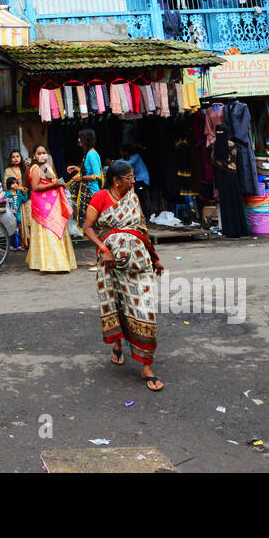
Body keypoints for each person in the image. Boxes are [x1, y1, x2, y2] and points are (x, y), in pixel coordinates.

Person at [83, 161, 165, 391]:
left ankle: (146, 365)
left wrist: (155, 257)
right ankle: (117, 343)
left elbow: (142, 230)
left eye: (132, 177)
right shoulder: (100, 197)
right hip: (110, 265)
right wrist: (105, 249)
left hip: (139, 263)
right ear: (116, 180)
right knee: (115, 306)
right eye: (129, 178)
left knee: (145, 310)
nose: (133, 181)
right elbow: (88, 227)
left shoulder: (133, 199)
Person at [27, 144, 77, 273]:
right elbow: (36, 187)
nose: (42, 155)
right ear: (34, 156)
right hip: (43, 204)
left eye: (44, 152)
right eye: (39, 153)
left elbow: (51, 181)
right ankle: (53, 264)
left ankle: (56, 261)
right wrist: (54, 185)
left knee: (56, 230)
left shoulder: (47, 166)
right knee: (50, 232)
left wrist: (55, 184)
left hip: (53, 202)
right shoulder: (35, 168)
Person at [212, 126, 247, 238]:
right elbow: (237, 160)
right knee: (235, 201)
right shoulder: (232, 145)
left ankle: (229, 230)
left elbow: (213, 161)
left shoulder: (215, 146)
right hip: (232, 176)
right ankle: (239, 229)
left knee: (226, 204)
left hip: (221, 177)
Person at [66, 128, 103, 235]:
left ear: (85, 139)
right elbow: (89, 171)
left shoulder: (91, 154)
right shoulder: (89, 153)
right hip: (90, 191)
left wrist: (80, 178)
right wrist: (77, 169)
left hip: (92, 191)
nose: (78, 140)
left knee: (92, 222)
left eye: (80, 137)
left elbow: (97, 176)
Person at [4, 148, 30, 249]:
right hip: (15, 200)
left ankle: (26, 242)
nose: (15, 158)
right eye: (13, 157)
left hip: (24, 198)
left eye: (17, 156)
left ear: (20, 158)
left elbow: (28, 183)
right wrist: (19, 188)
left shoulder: (24, 170)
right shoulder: (8, 170)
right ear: (10, 159)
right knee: (16, 222)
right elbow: (6, 185)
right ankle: (16, 244)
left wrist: (25, 191)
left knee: (26, 221)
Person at [117, 144, 151, 216]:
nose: (120, 153)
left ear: (126, 151)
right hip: (138, 180)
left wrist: (113, 162)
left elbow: (127, 163)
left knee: (134, 194)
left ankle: (143, 214)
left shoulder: (136, 157)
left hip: (143, 180)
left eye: (121, 151)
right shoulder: (128, 159)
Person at [5, 176, 26, 251]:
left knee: (17, 231)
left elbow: (24, 200)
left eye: (16, 183)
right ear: (9, 185)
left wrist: (24, 193)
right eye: (13, 183)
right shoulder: (7, 194)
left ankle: (17, 245)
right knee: (10, 231)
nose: (15, 185)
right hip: (9, 216)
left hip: (17, 216)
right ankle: (10, 245)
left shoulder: (19, 194)